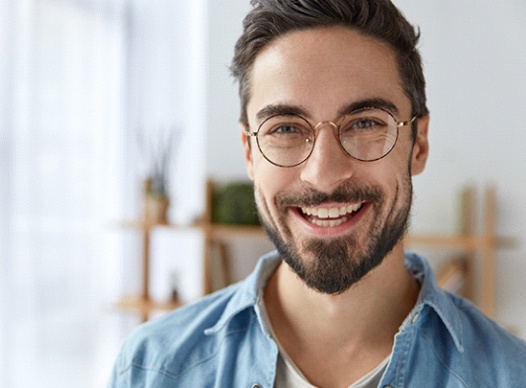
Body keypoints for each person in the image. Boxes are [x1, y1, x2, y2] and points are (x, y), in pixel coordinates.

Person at [109, 1, 526, 387]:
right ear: (250, 153)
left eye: (365, 123)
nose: (324, 175)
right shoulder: (153, 369)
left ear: (418, 143)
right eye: (286, 128)